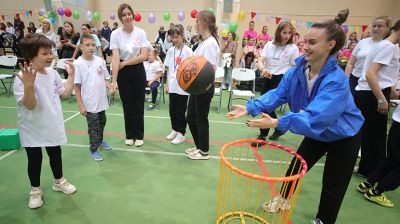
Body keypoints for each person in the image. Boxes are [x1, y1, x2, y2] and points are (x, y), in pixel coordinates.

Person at [227, 9, 364, 224]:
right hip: (318, 133)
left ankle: (323, 220)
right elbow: (279, 94)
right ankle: (282, 199)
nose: (305, 46)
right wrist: (251, 107)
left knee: (333, 185)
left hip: (344, 136)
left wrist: (278, 122)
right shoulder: (299, 70)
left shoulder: (337, 82)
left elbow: (316, 118)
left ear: (330, 45)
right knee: (296, 168)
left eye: (312, 42)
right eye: (305, 41)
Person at [13, 33, 77, 209]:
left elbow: (64, 94)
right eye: (45, 53)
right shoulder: (22, 77)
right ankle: (35, 190)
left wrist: (71, 76)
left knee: (55, 153)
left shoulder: (52, 73)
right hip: (32, 126)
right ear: (31, 55)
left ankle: (59, 181)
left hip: (51, 122)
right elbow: (30, 105)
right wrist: (28, 85)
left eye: (51, 52)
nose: (50, 57)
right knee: (34, 159)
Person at [356, 21, 400, 208]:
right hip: (372, 93)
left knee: (373, 137)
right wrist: (381, 99)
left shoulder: (383, 45)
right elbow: (371, 74)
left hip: (370, 92)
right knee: (376, 138)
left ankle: (369, 175)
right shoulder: (388, 46)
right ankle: (375, 184)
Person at [110, 3, 148, 147]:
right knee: (127, 105)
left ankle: (139, 135)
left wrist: (125, 63)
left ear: (133, 15)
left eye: (129, 13)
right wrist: (114, 81)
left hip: (137, 70)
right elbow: (115, 58)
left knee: (138, 105)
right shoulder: (115, 34)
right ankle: (130, 135)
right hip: (122, 73)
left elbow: (143, 56)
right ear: (120, 17)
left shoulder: (141, 32)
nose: (127, 17)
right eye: (124, 15)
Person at [256, 21, 299, 144]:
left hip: (282, 80)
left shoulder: (293, 48)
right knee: (264, 106)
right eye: (284, 32)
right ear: (278, 32)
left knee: (267, 106)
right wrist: (263, 69)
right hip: (268, 77)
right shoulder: (269, 45)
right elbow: (260, 59)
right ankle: (280, 127)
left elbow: (294, 68)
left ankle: (262, 136)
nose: (287, 35)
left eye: (289, 33)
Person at [186, 10, 220, 160]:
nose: (195, 24)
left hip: (203, 87)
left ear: (204, 23)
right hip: (197, 87)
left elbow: (211, 70)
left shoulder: (211, 43)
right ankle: (199, 145)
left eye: (197, 21)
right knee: (191, 117)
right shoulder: (204, 42)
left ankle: (204, 151)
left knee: (200, 118)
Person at [74, 34, 113, 162]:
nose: (91, 48)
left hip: (101, 100)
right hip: (89, 103)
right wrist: (80, 105)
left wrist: (110, 87)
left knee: (103, 121)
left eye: (93, 45)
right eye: (87, 45)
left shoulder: (100, 61)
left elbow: (105, 79)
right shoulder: (78, 63)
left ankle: (100, 141)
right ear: (81, 47)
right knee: (94, 126)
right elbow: (77, 86)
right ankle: (93, 149)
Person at [345, 16, 390, 98]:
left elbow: (391, 70)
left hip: (374, 82)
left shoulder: (388, 45)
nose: (375, 28)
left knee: (368, 108)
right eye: (374, 26)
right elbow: (350, 64)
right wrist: (346, 80)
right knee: (351, 106)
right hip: (355, 78)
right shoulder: (362, 42)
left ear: (387, 28)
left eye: (380, 26)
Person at [164, 24, 193, 145]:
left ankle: (182, 133)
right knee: (172, 110)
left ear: (182, 36)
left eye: (177, 36)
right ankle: (175, 129)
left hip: (183, 86)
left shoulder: (188, 51)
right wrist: (167, 84)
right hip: (172, 84)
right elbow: (168, 68)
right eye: (173, 37)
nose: (175, 39)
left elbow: (192, 70)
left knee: (180, 111)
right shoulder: (171, 51)